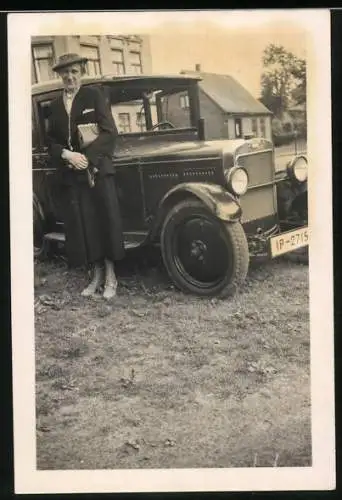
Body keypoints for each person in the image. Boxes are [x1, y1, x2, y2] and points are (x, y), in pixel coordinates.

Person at [47, 53, 125, 299]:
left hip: (97, 171)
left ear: (81, 72)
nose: (70, 77)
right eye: (65, 73)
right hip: (73, 176)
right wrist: (67, 155)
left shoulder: (94, 96)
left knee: (105, 222)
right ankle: (96, 276)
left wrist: (87, 158)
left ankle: (111, 278)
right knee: (86, 226)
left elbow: (109, 133)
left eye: (74, 72)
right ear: (60, 76)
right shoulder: (54, 105)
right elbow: (50, 142)